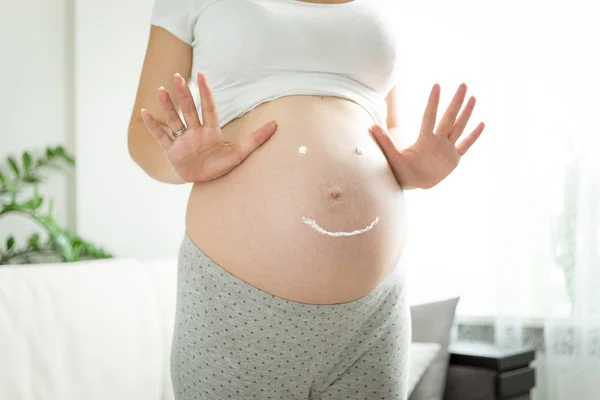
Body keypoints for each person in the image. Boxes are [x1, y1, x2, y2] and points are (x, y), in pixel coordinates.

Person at [127, 0, 485, 399]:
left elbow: (389, 126)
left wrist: (416, 166)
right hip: (237, 307)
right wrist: (181, 162)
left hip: (373, 313)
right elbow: (145, 138)